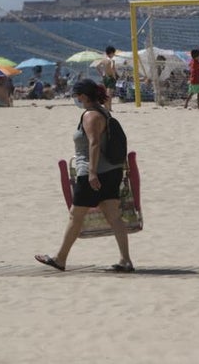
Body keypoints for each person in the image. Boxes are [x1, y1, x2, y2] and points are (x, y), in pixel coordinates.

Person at [35, 79, 133, 272]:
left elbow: (94, 143)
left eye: (76, 95)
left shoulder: (90, 115)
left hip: (93, 173)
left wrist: (92, 172)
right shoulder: (104, 111)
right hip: (111, 171)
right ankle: (125, 260)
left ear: (83, 96)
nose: (75, 99)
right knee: (114, 216)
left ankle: (60, 258)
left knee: (75, 216)